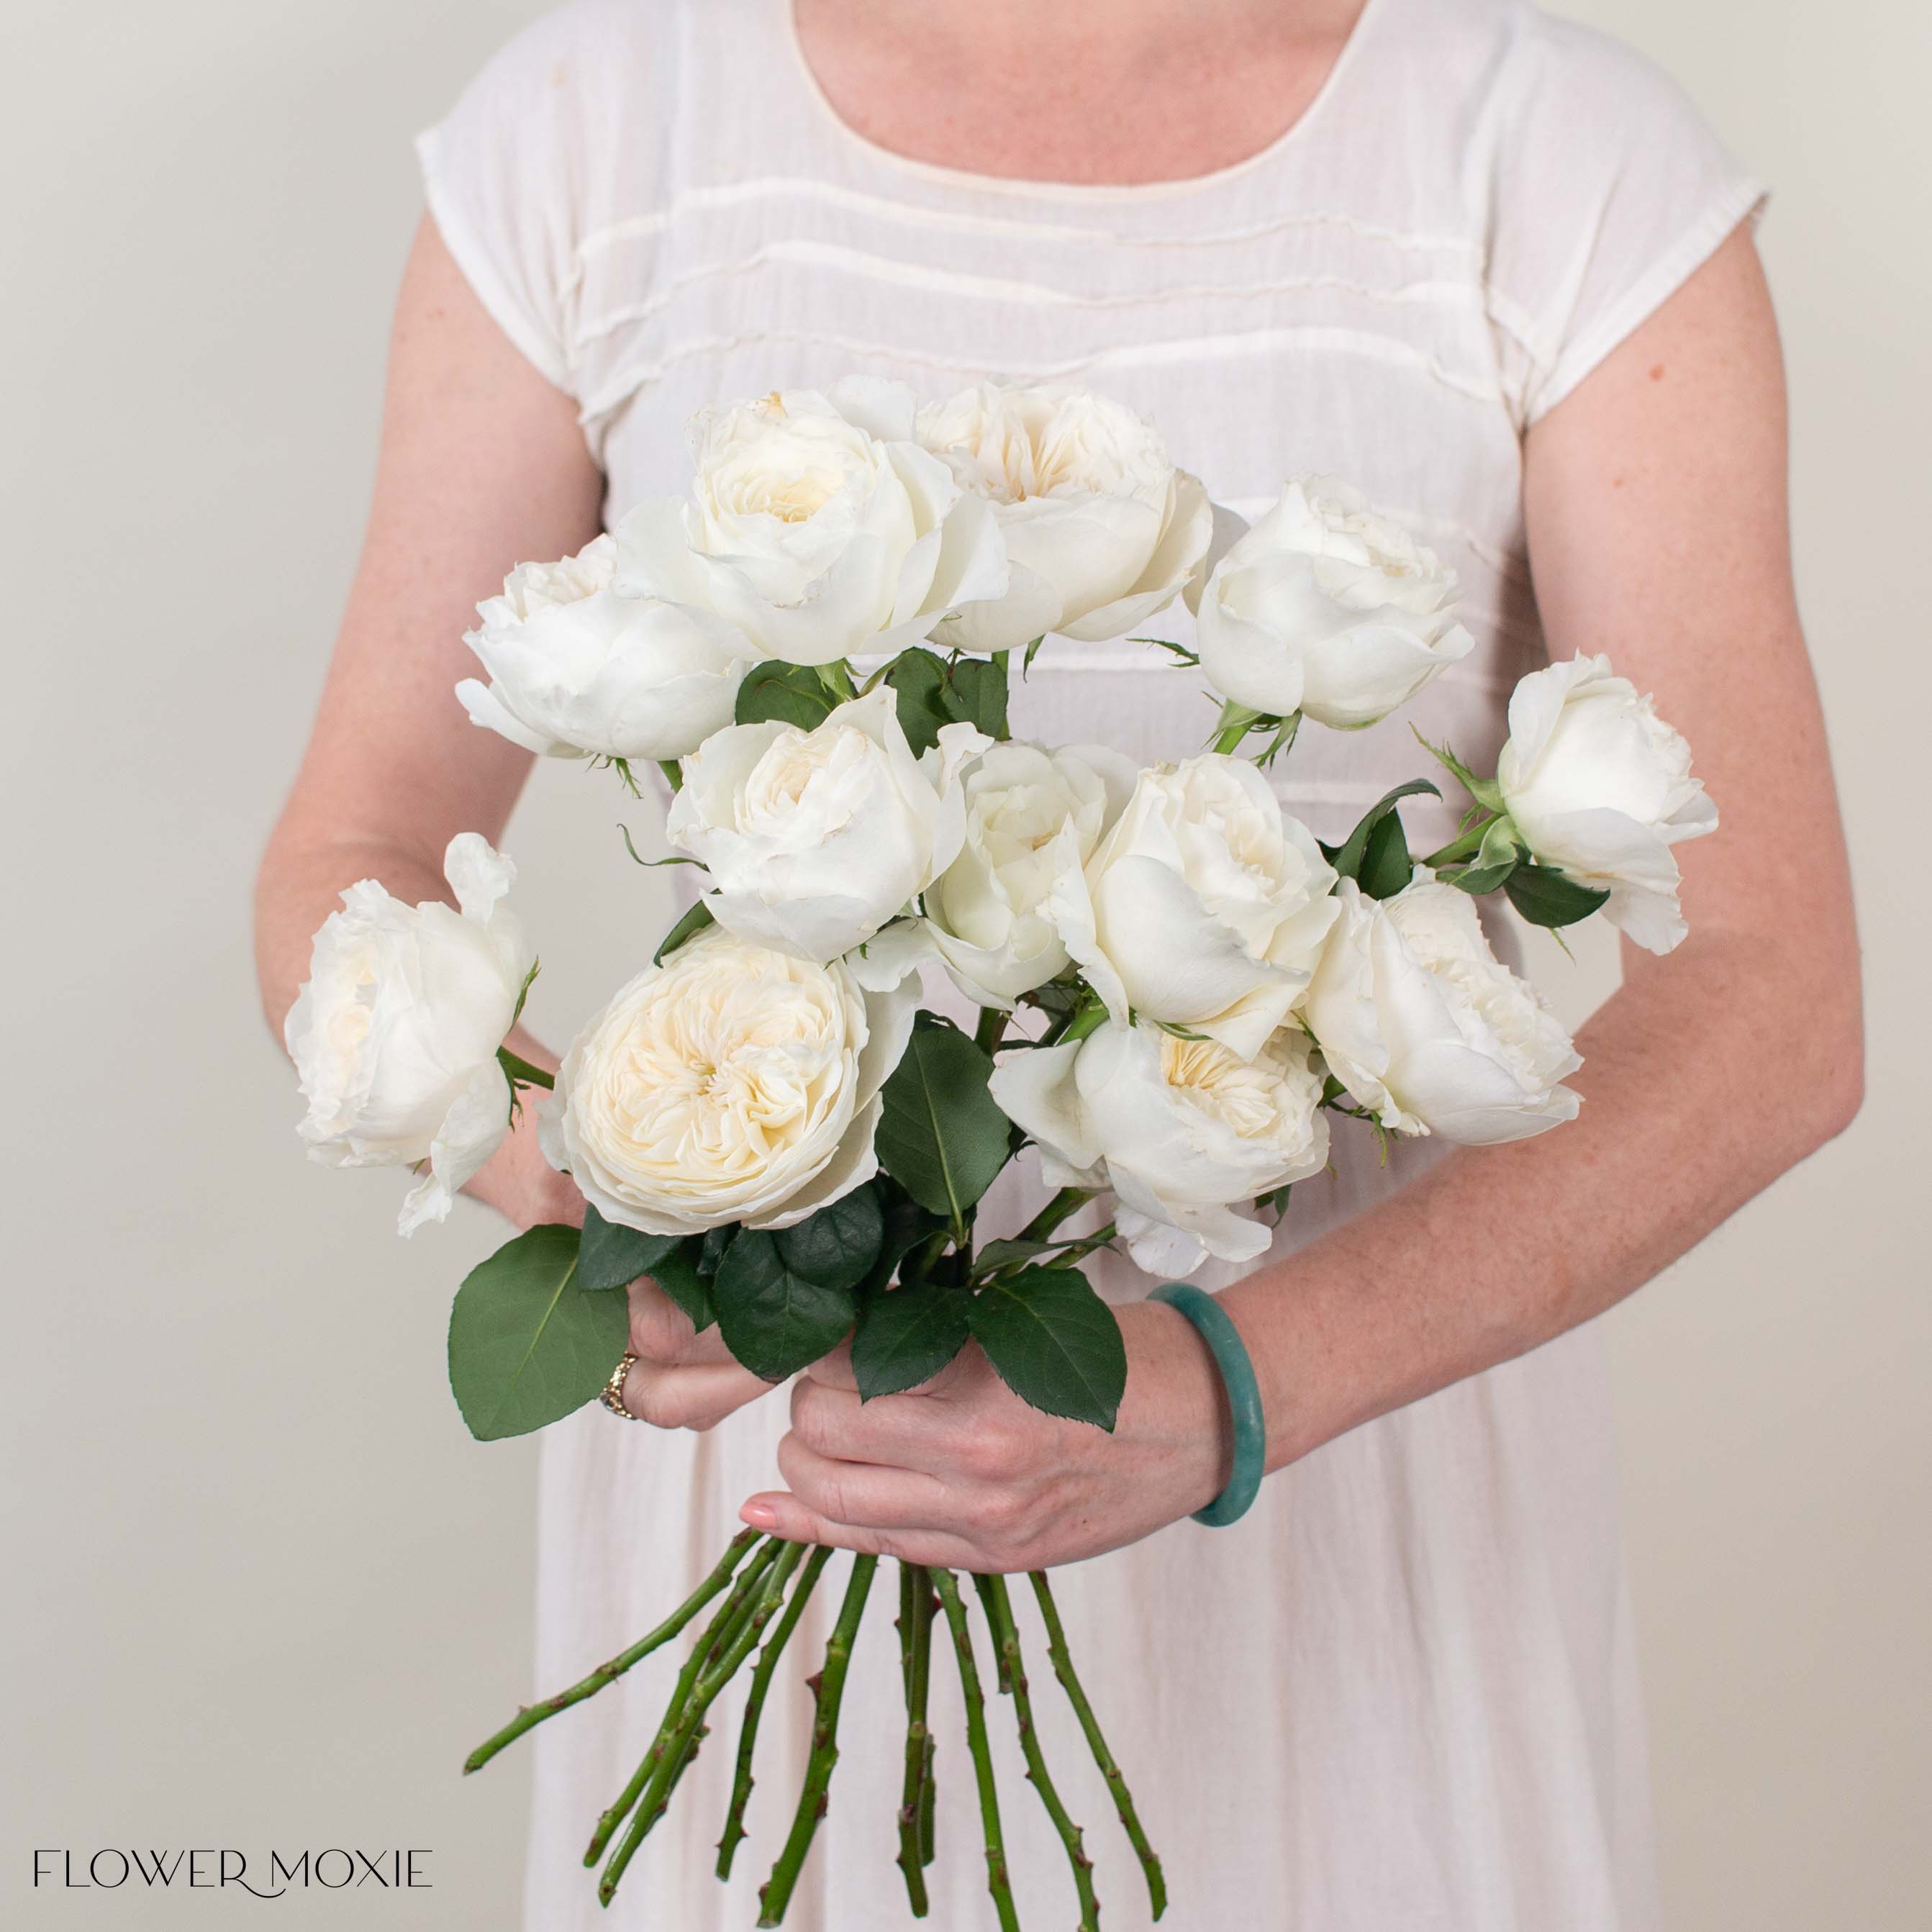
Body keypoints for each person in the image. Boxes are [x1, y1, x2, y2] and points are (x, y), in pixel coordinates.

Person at [254, 1, 1862, 1926]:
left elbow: (1775, 997)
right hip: (801, 1439)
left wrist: (1232, 1391)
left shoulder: (1550, 155)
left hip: (1347, 1477)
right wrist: (608, 1201)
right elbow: (347, 863)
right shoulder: (601, 124)